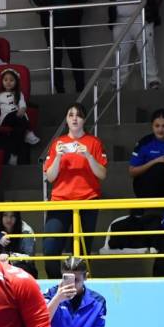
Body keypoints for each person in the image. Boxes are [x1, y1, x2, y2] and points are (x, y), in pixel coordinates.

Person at [42, 103, 107, 279]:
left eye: (78, 115)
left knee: (82, 250)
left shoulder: (94, 142)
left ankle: (79, 285)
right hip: (60, 200)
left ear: (84, 119)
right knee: (50, 248)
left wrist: (88, 156)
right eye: (71, 115)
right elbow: (50, 177)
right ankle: (56, 283)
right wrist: (58, 156)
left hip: (88, 200)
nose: (74, 118)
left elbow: (102, 174)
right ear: (66, 119)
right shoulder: (57, 143)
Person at [30, 0, 90, 93]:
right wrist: (43, 10)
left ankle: (80, 89)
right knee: (55, 57)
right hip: (51, 21)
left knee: (75, 55)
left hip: (71, 20)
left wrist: (76, 10)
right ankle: (59, 91)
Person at [103, 0, 164, 89]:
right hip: (120, 20)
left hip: (141, 17)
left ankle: (152, 81)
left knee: (147, 50)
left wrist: (154, 7)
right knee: (120, 53)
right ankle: (117, 84)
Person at [0, 67, 40, 166]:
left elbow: (23, 105)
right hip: (6, 118)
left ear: (16, 82)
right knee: (15, 116)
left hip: (18, 116)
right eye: (6, 80)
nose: (8, 82)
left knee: (19, 129)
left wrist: (21, 110)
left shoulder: (19, 94)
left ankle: (14, 155)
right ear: (2, 82)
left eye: (11, 80)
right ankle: (28, 132)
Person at [0, 210, 38, 277]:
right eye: (5, 215)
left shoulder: (26, 230)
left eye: (12, 216)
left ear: (17, 217)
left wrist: (10, 256)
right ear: (0, 216)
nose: (9, 219)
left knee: (24, 268)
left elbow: (29, 257)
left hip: (18, 267)